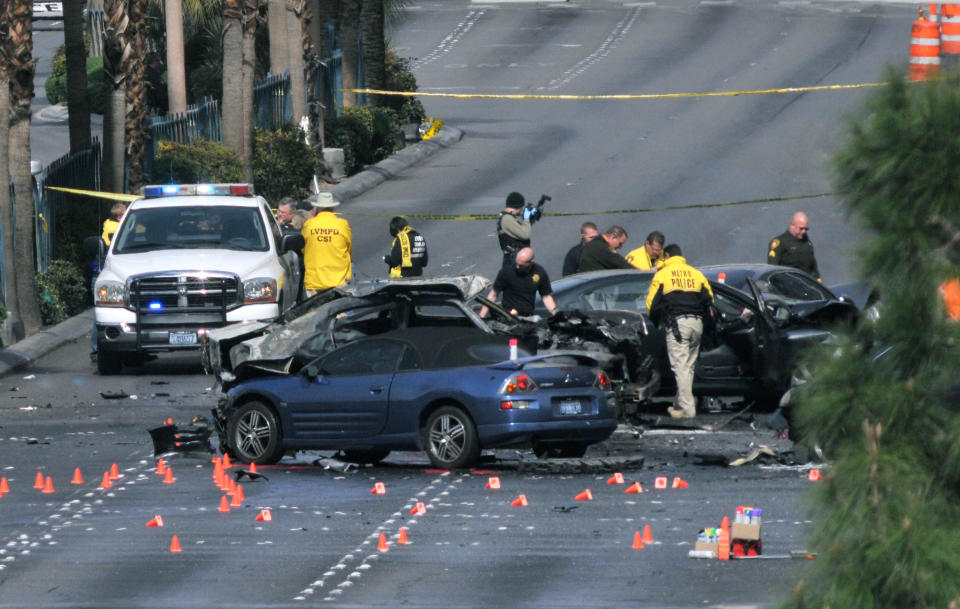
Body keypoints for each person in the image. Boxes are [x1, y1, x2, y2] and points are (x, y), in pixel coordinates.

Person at [645, 244, 714, 419]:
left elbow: (651, 304)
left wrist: (656, 321)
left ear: (667, 256)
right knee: (688, 367)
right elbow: (709, 299)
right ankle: (679, 404)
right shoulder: (696, 273)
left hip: (677, 324)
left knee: (680, 367)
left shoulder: (663, 274)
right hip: (697, 323)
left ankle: (688, 409)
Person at [479, 247, 558, 318]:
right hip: (509, 316)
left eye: (521, 265)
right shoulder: (507, 272)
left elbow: (546, 297)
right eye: (516, 263)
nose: (517, 267)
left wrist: (555, 313)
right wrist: (482, 316)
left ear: (531, 262)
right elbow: (493, 295)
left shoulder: (540, 272)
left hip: (527, 316)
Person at [301, 192, 352, 297]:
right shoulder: (342, 224)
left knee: (315, 312)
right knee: (340, 312)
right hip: (339, 280)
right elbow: (349, 249)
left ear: (318, 208)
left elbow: (303, 248)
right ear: (333, 207)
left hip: (315, 281)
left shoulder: (309, 225)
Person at [768, 211, 821, 280]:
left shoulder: (807, 242)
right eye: (801, 228)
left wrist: (818, 281)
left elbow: (813, 267)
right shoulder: (780, 243)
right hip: (788, 284)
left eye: (806, 229)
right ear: (792, 225)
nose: (804, 231)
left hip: (807, 284)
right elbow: (772, 270)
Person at [497, 192, 533, 267]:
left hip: (514, 259)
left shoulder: (507, 217)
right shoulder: (507, 219)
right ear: (518, 207)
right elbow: (525, 234)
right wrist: (526, 219)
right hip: (513, 261)